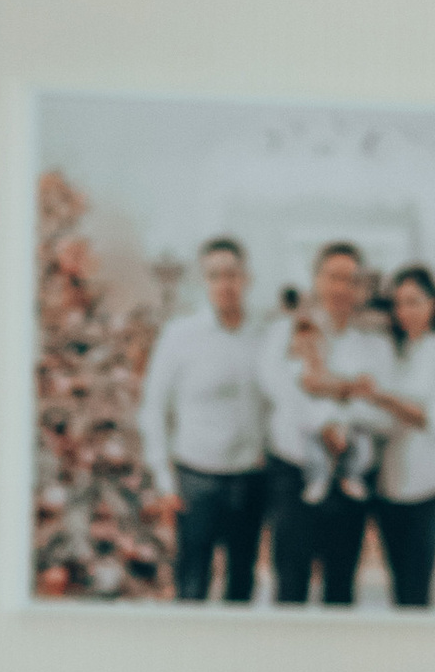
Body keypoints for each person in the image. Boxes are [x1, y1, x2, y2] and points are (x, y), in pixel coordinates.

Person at [138, 233, 273, 602]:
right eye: (214, 275)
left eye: (232, 274)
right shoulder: (181, 336)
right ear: (204, 281)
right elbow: (153, 408)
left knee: (242, 584)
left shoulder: (264, 336)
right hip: (196, 481)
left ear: (246, 278)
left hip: (249, 479)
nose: (224, 284)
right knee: (192, 583)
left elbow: (277, 402)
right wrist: (164, 480)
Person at [266, 242, 391, 604]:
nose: (341, 288)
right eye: (333, 277)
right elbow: (280, 389)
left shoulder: (374, 347)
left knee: (341, 587)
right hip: (293, 473)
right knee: (290, 584)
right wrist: (328, 418)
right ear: (316, 280)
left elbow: (382, 411)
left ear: (363, 289)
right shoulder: (287, 332)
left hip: (350, 479)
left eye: (351, 280)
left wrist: (340, 414)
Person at [362, 266, 435, 609]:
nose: (404, 312)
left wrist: (384, 399)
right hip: (390, 484)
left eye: (413, 302)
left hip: (431, 483)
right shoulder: (396, 350)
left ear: (433, 304)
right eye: (398, 304)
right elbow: (380, 421)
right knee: (400, 588)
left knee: (419, 587)